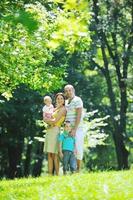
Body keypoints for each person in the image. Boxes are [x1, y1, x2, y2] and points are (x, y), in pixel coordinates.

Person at [44, 93, 66, 175]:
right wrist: (47, 120)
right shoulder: (55, 108)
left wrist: (47, 120)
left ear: (64, 100)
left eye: (61, 98)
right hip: (49, 130)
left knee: (54, 154)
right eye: (58, 98)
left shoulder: (63, 109)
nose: (59, 100)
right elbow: (46, 117)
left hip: (55, 130)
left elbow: (55, 121)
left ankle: (57, 174)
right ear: (56, 100)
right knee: (49, 154)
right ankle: (50, 174)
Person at [64, 84, 84, 172]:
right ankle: (72, 170)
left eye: (70, 90)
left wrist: (74, 129)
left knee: (78, 149)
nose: (68, 92)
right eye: (66, 91)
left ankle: (78, 170)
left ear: (73, 90)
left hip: (77, 129)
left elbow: (79, 115)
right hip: (67, 130)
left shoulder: (77, 100)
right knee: (69, 150)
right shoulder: (66, 102)